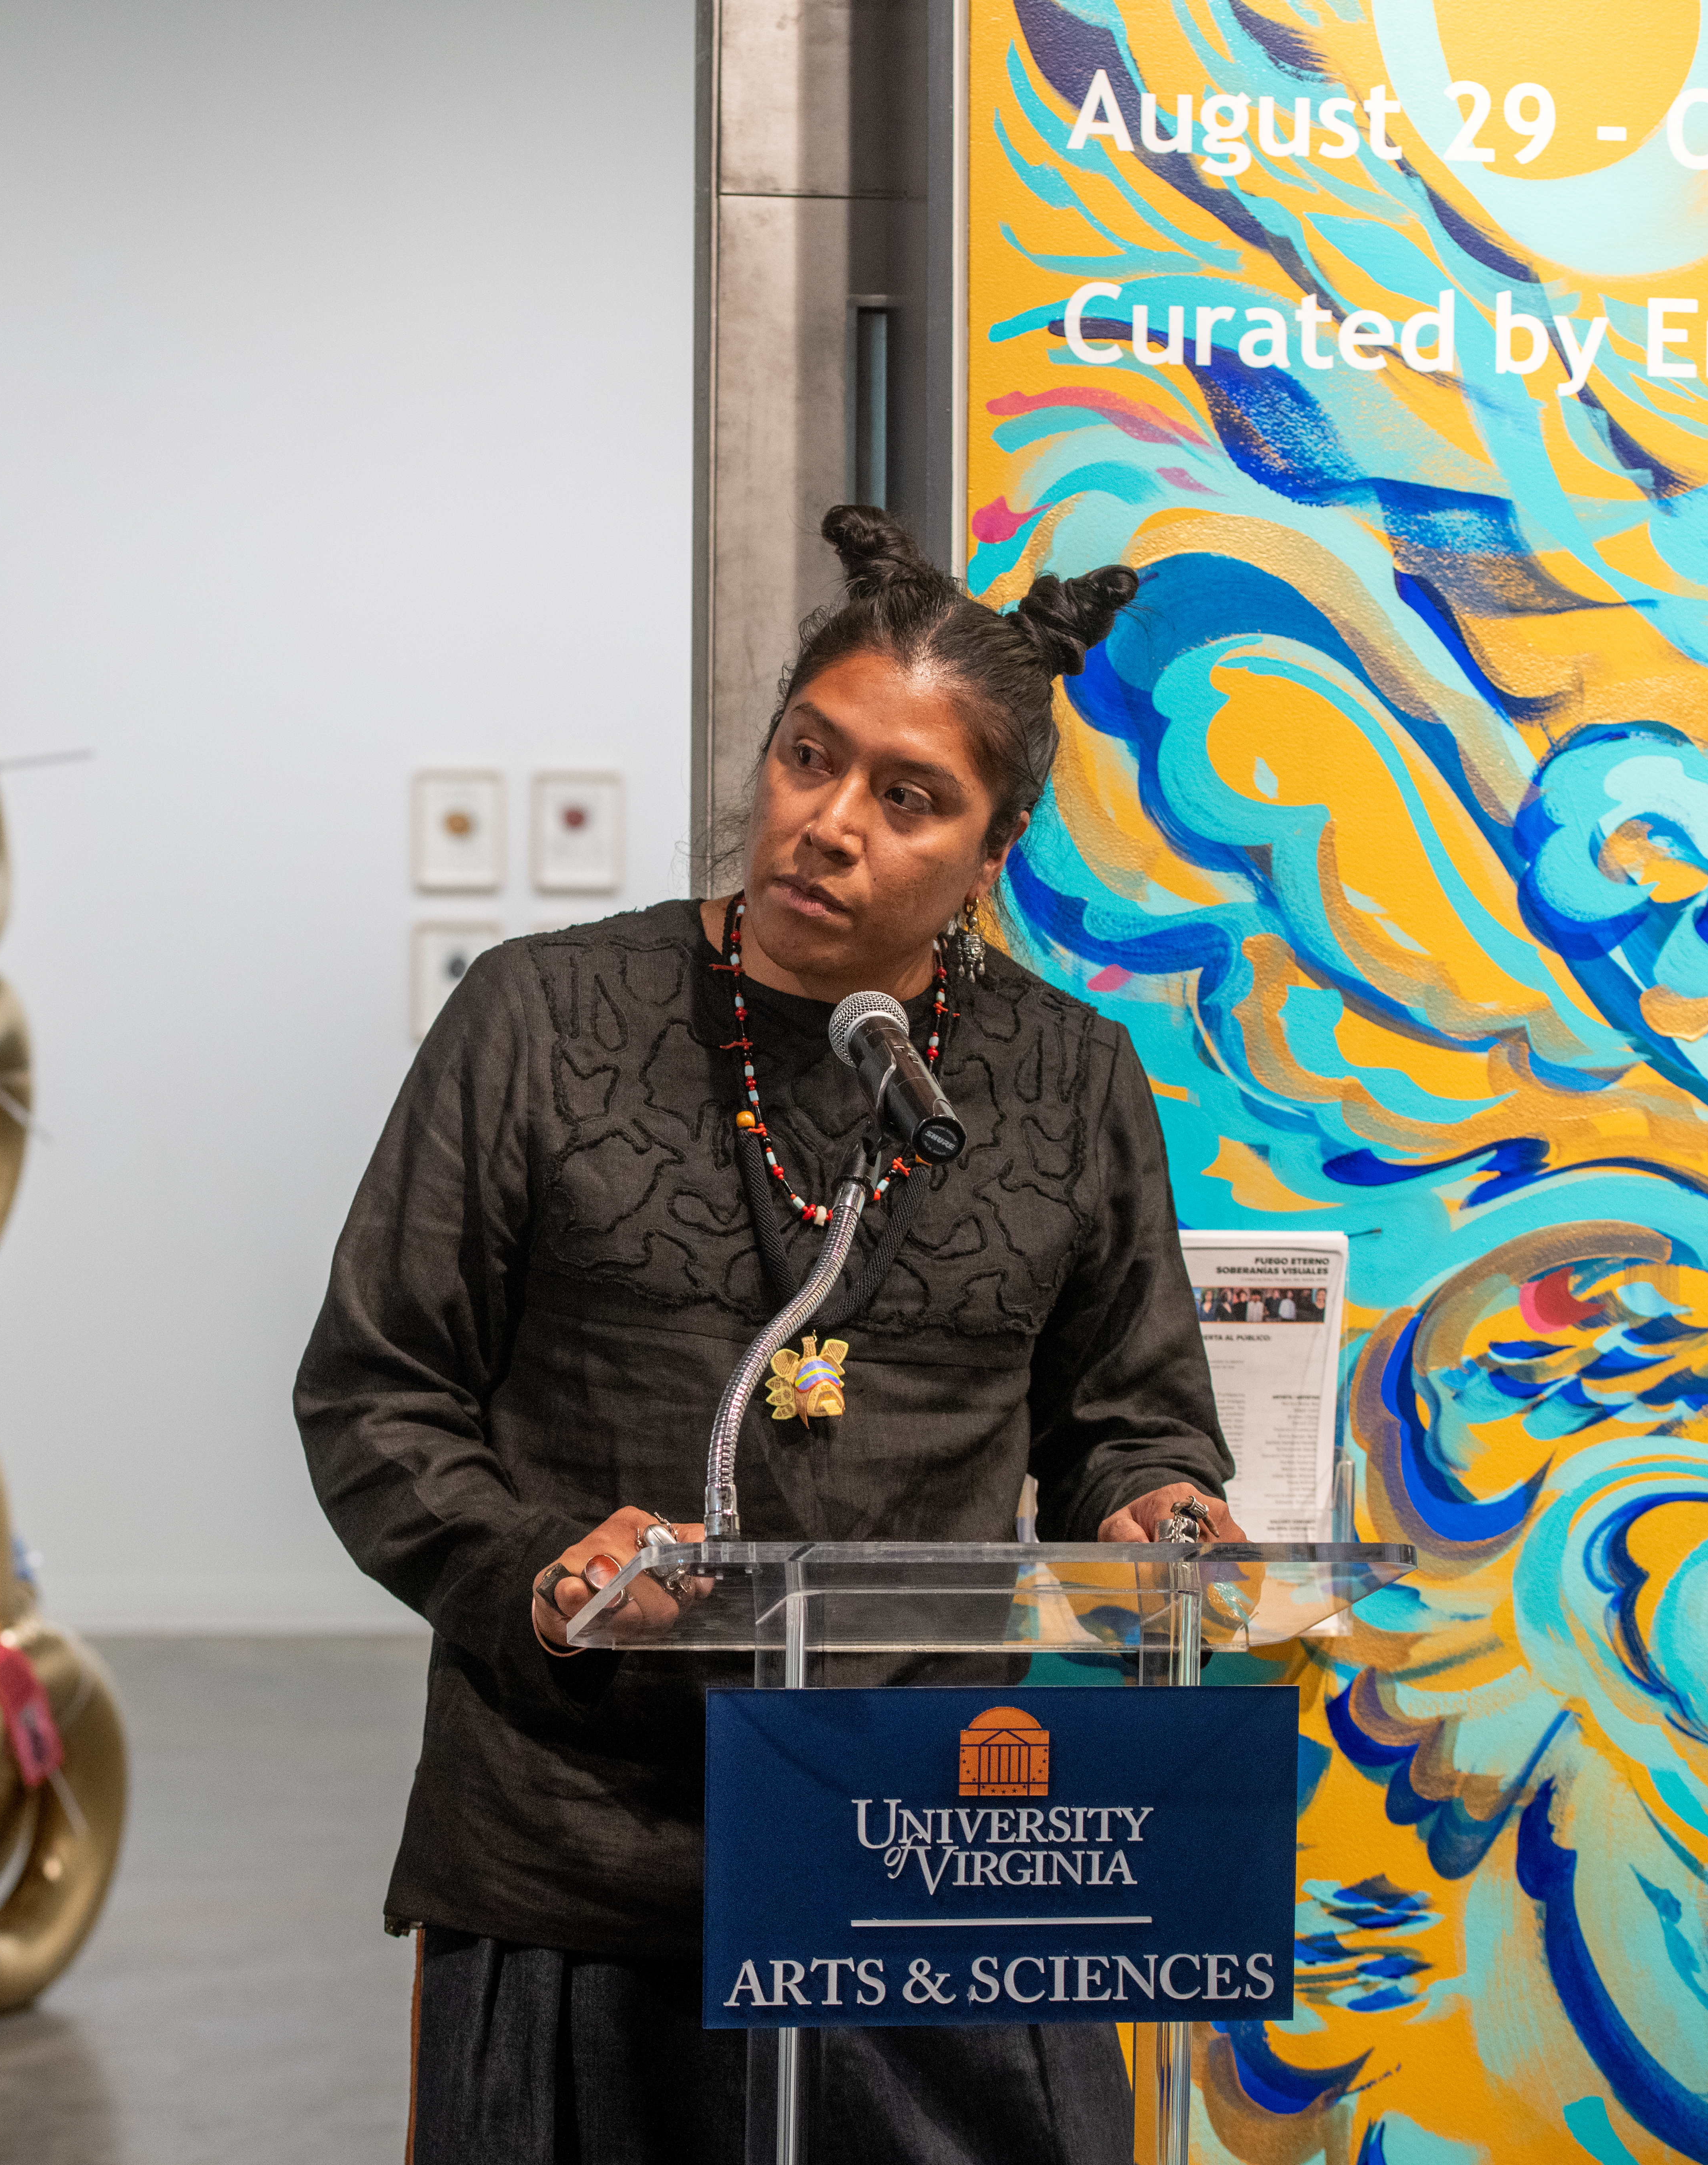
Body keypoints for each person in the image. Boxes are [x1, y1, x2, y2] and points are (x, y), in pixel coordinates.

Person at [298, 506, 1241, 2165]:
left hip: (933, 1849)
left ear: (990, 848)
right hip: (587, 1849)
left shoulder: (1069, 1080)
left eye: (907, 797)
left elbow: (1124, 1412)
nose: (828, 825)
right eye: (810, 758)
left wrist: (1161, 1510)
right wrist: (535, 1562)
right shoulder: (541, 1020)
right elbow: (379, 1398)